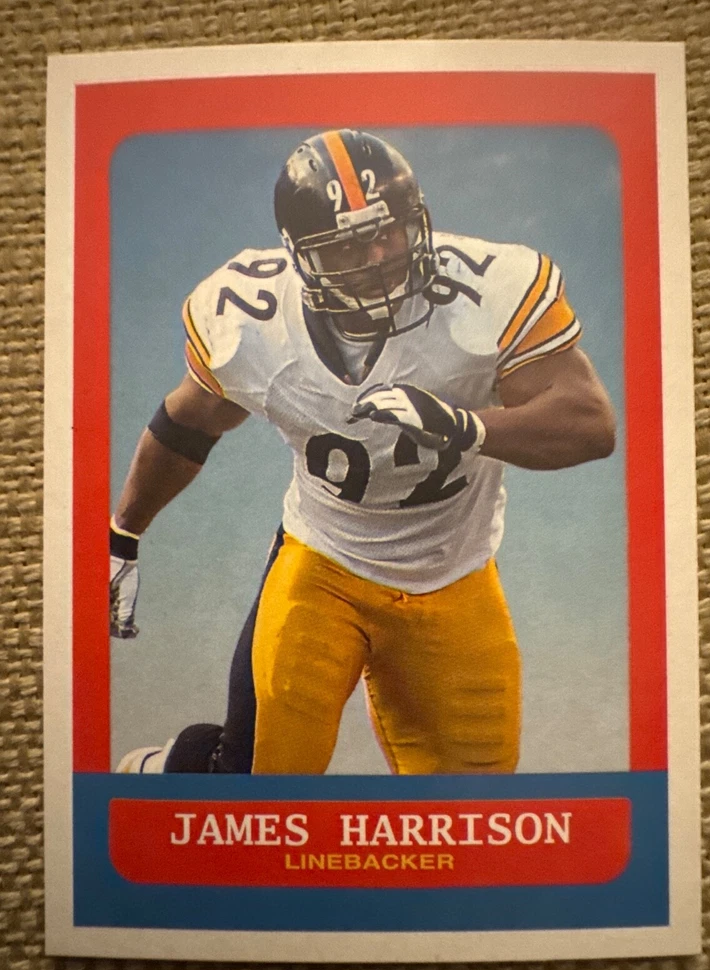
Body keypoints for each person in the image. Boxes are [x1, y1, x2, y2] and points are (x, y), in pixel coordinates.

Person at [110, 128, 616, 776]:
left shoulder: (489, 294)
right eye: (349, 245)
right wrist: (123, 534)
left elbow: (590, 423)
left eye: (390, 232)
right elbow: (189, 424)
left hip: (452, 573)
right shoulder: (251, 321)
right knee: (259, 784)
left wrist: (465, 426)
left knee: (471, 809)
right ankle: (170, 769)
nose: (380, 257)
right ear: (302, 256)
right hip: (323, 559)